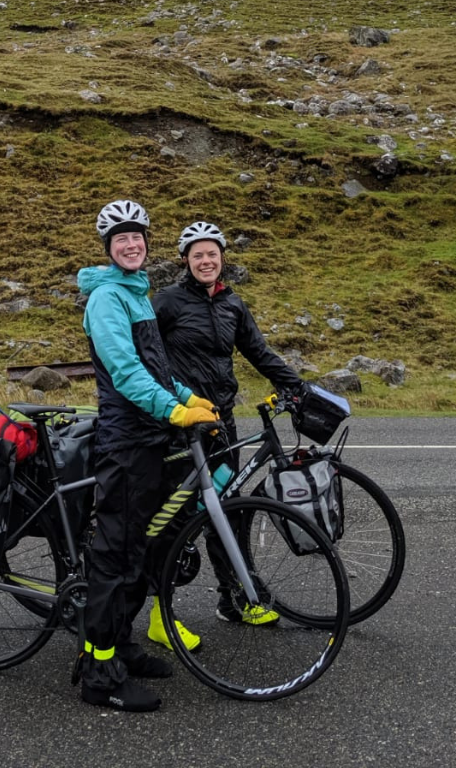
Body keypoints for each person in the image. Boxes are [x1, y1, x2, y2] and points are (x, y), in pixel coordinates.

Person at [76, 200, 219, 713]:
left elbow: (155, 369)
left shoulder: (137, 294)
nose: (131, 245)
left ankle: (124, 646)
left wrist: (186, 397)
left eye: (137, 237)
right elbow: (126, 373)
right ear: (109, 250)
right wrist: (173, 411)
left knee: (140, 551)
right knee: (114, 558)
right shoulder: (106, 299)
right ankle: (99, 675)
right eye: (121, 240)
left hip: (150, 436)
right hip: (125, 442)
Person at [148, 220, 306, 630]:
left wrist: (300, 387)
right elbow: (144, 356)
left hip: (223, 422)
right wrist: (171, 401)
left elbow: (259, 352)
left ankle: (233, 598)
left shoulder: (232, 304)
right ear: (186, 260)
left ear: (222, 260)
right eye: (198, 255)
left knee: (228, 509)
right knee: (178, 516)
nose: (206, 261)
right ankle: (159, 611)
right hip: (182, 425)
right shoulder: (167, 302)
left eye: (212, 254)